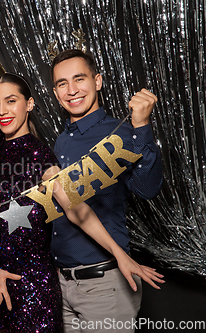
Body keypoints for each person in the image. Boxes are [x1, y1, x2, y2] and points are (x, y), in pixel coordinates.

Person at [0, 3, 164, 332]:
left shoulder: (44, 156)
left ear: (30, 104)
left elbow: (76, 208)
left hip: (37, 279)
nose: (2, 109)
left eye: (11, 101)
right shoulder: (6, 144)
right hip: (5, 276)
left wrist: (119, 254)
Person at [50, 49, 163, 333]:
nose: (72, 90)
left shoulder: (121, 132)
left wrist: (142, 125)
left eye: (79, 79)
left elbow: (147, 189)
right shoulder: (61, 141)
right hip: (63, 285)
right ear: (55, 92)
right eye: (63, 83)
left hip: (105, 283)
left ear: (97, 81)